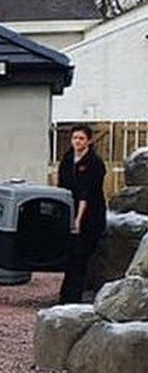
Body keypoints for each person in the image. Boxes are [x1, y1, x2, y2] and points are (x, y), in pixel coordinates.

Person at [57, 124, 107, 303]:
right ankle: (66, 294)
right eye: (75, 138)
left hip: (90, 215)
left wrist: (78, 220)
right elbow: (62, 186)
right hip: (70, 208)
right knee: (70, 255)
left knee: (82, 255)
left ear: (89, 141)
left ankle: (75, 296)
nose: (77, 142)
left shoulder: (94, 163)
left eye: (81, 139)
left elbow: (87, 193)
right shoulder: (68, 158)